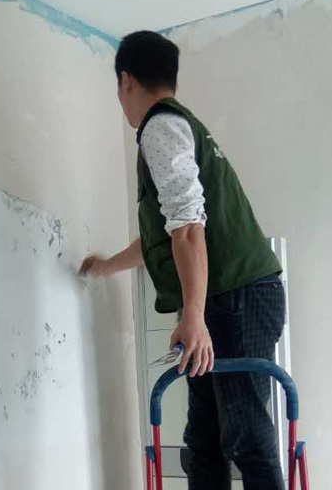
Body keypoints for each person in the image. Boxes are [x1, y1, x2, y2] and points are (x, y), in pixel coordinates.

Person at [80, 31, 286, 489]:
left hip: (236, 296)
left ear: (126, 80)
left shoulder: (160, 127)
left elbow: (189, 228)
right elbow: (169, 230)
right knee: (204, 442)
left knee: (245, 436)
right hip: (229, 297)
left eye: (119, 89)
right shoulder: (178, 126)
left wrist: (193, 315)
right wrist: (106, 267)